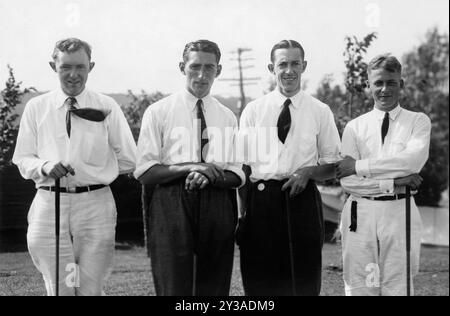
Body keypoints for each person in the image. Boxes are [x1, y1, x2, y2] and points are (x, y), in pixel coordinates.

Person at [12, 38, 137, 296]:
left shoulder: (106, 106)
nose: (73, 75)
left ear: (91, 66)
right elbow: (22, 159)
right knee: (61, 289)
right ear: (52, 66)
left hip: (95, 204)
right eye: (65, 67)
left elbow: (130, 159)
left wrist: (94, 170)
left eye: (80, 67)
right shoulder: (37, 107)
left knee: (89, 289)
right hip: (49, 203)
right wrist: (45, 166)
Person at [134, 39, 245, 296]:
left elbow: (237, 173)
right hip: (171, 201)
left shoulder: (227, 116)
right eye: (195, 67)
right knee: (173, 285)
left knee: (214, 284)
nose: (201, 75)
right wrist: (192, 167)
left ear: (218, 70)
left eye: (209, 68)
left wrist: (209, 175)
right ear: (182, 67)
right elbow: (145, 172)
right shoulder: (158, 112)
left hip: (217, 202)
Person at [237, 40, 341, 296]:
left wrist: (308, 172)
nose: (289, 70)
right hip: (260, 201)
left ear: (304, 66)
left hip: (302, 200)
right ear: (272, 67)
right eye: (283, 64)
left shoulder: (320, 111)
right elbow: (243, 168)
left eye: (295, 63)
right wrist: (243, 215)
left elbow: (334, 166)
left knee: (302, 281)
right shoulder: (253, 111)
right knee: (260, 282)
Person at [335, 54, 431, 296]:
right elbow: (348, 181)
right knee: (361, 287)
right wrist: (396, 181)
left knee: (397, 288)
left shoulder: (418, 122)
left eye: (391, 82)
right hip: (361, 213)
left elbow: (410, 161)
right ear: (368, 85)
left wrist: (359, 167)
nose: (384, 89)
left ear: (402, 83)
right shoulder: (354, 127)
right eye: (378, 83)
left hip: (400, 213)